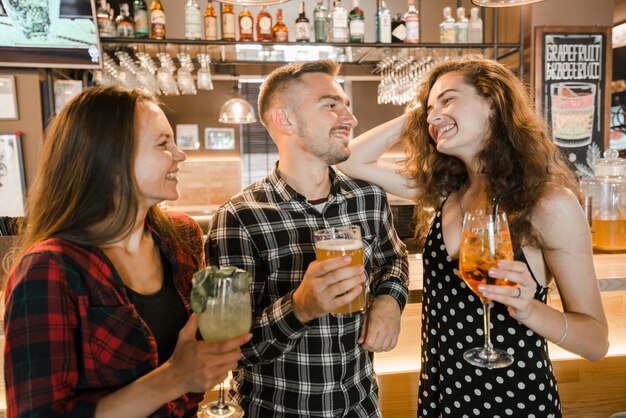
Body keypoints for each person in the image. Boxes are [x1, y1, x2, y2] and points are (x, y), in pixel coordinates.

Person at [338, 56, 609, 417]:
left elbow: (595, 342)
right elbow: (349, 161)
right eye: (430, 106)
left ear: (494, 103)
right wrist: (424, 114)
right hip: (440, 394)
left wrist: (529, 309)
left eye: (449, 99)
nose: (434, 115)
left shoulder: (547, 202)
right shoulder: (445, 192)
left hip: (511, 401)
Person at [3, 85, 251, 418]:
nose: (181, 155)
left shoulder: (180, 236)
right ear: (110, 161)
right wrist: (174, 377)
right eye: (163, 144)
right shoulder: (49, 269)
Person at [205, 60, 409, 417]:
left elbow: (394, 260)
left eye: (345, 104)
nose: (350, 118)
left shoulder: (368, 197)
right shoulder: (237, 218)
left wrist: (390, 300)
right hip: (277, 411)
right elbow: (226, 349)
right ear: (285, 120)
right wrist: (299, 308)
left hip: (360, 406)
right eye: (331, 105)